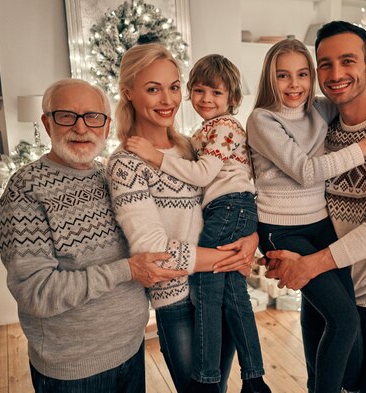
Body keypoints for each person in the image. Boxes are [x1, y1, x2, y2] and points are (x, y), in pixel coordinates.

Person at [263, 21, 366, 392]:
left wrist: (310, 264)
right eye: (325, 64)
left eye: (348, 61)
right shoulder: (321, 121)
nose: (335, 74)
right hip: (325, 296)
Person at [0, 78, 188, 392]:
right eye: (67, 116)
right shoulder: (25, 190)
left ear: (107, 126)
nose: (81, 128)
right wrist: (127, 270)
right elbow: (35, 292)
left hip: (131, 349)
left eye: (93, 117)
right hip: (73, 369)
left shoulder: (114, 174)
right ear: (47, 123)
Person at [107, 43, 258, 393]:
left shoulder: (193, 149)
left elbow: (233, 193)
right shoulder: (126, 162)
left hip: (218, 292)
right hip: (176, 300)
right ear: (128, 93)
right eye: (152, 88)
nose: (167, 99)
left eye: (173, 87)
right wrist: (231, 258)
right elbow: (155, 253)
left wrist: (252, 238)